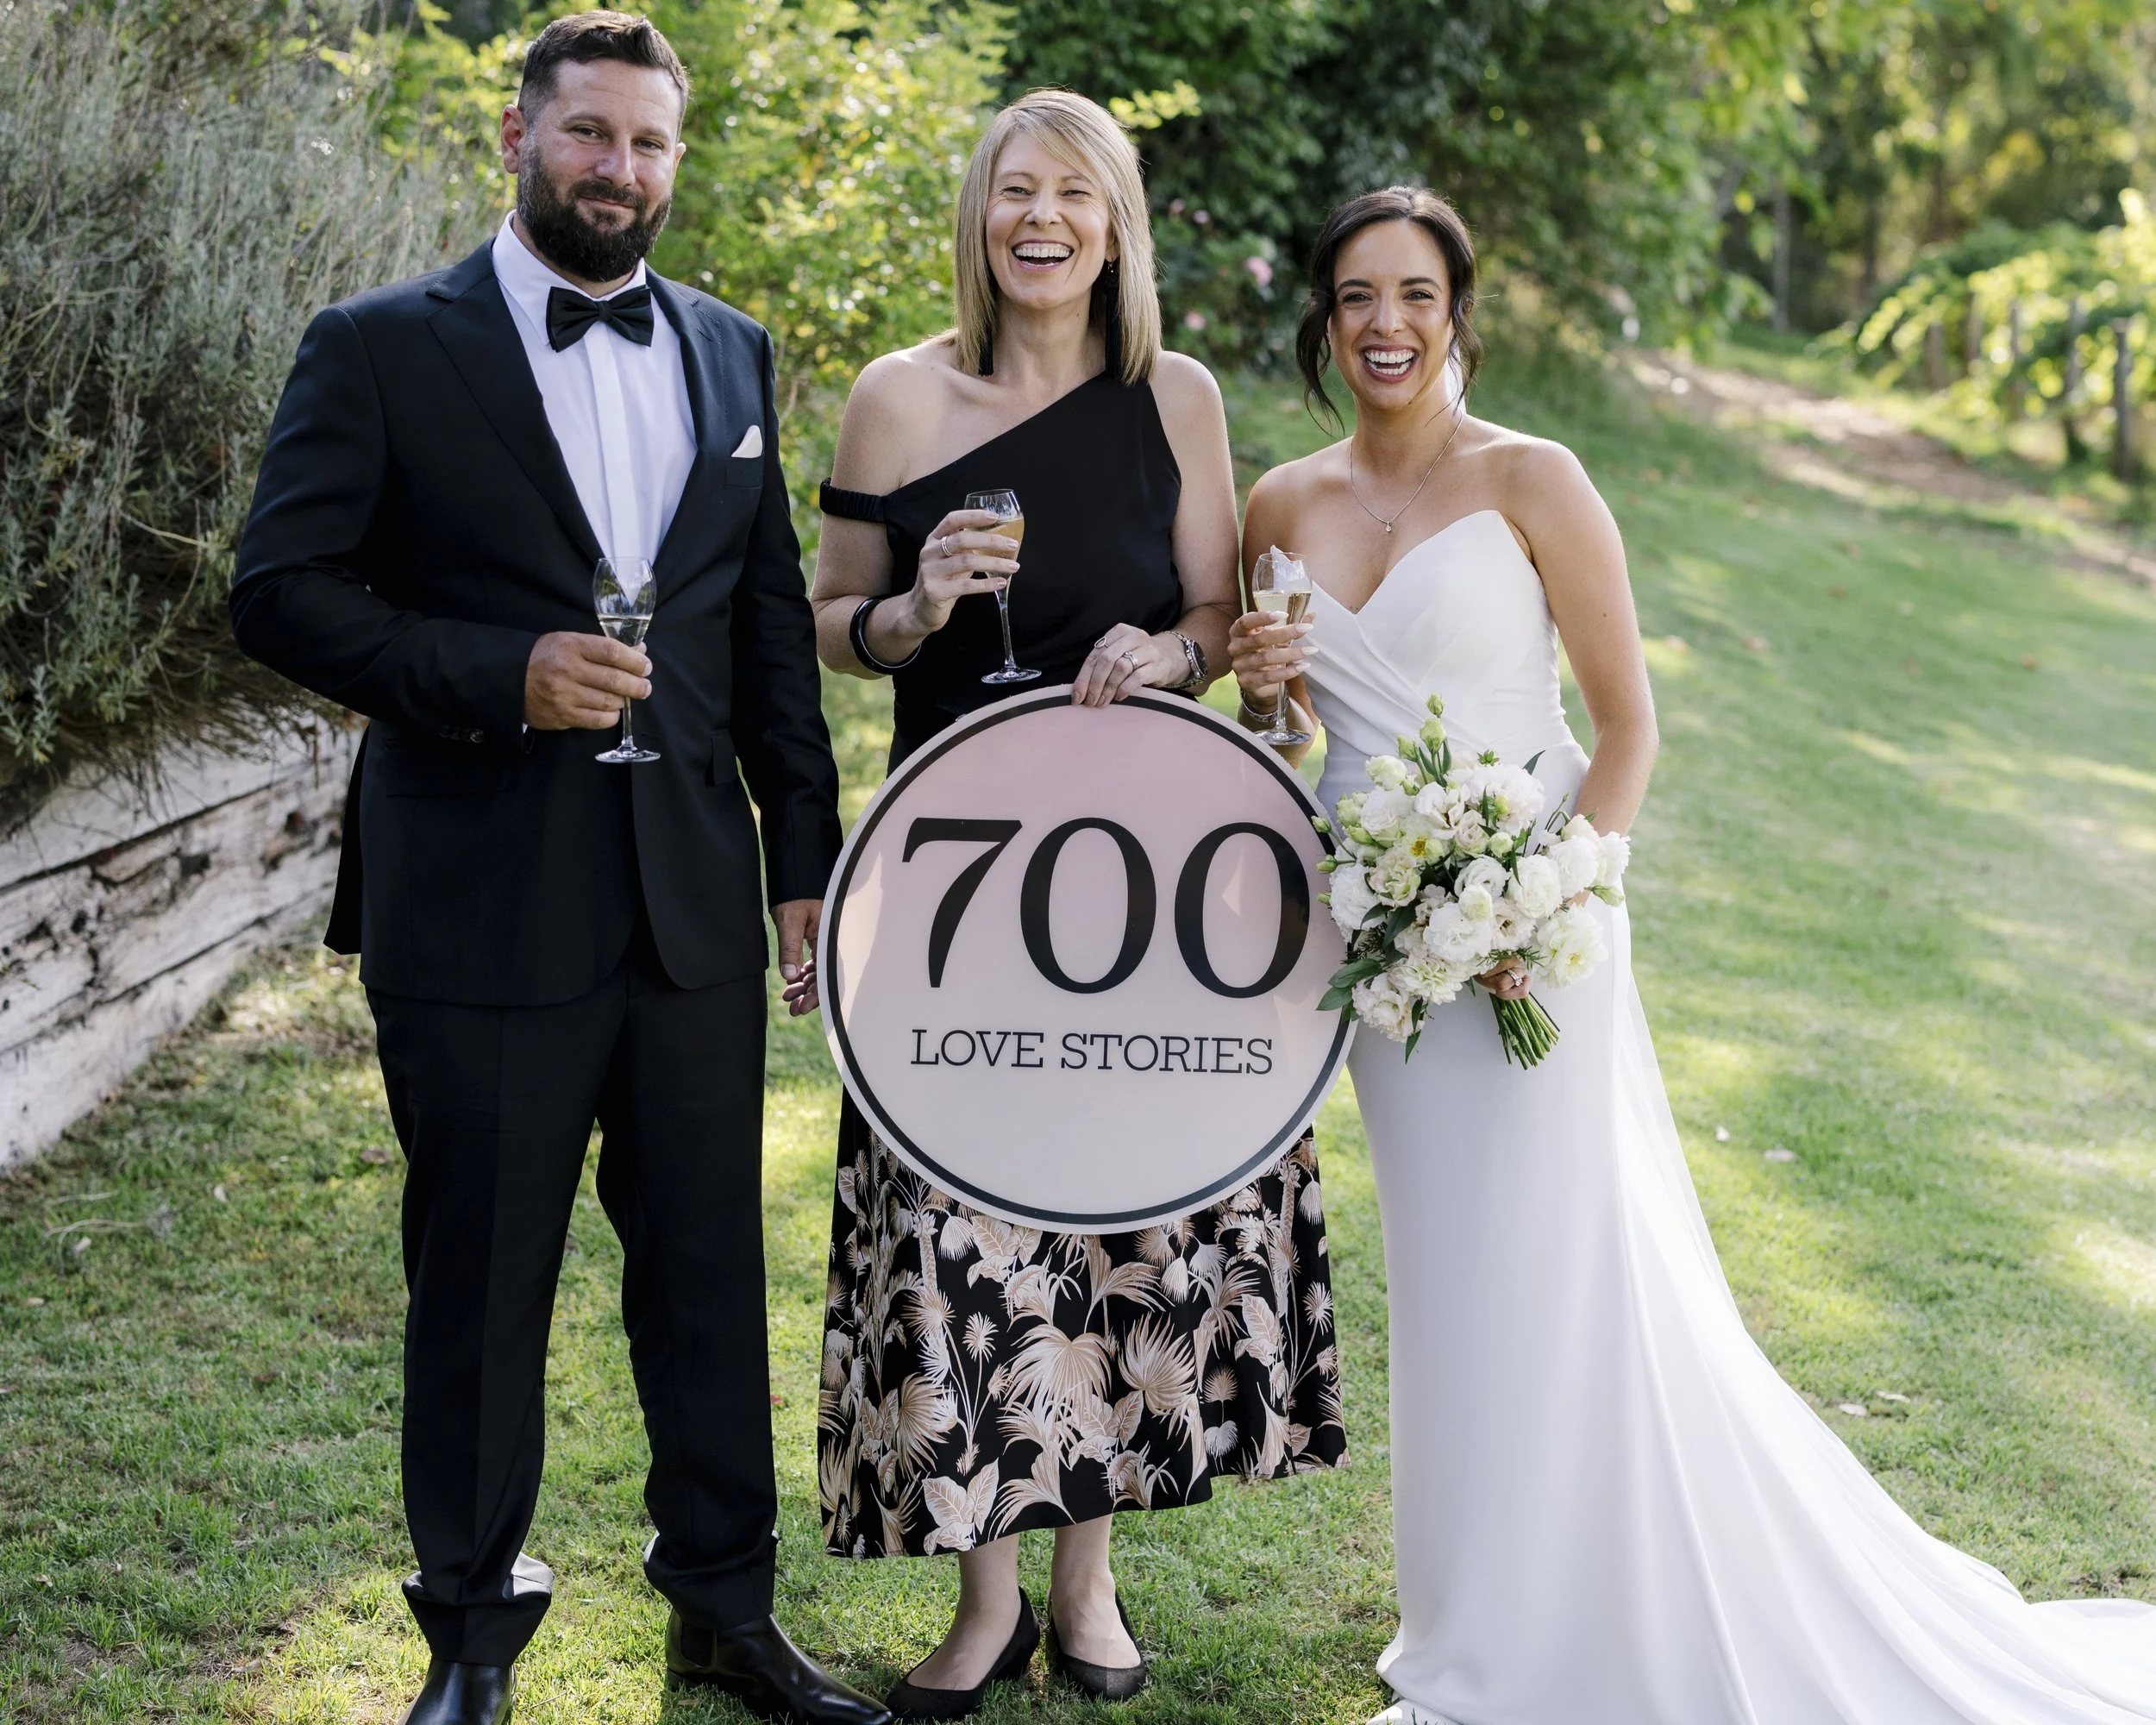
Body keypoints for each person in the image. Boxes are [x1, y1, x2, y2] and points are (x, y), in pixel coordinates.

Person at [1230, 182, 2156, 1725]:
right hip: (1385, 962)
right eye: (1353, 297)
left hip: (1535, 948)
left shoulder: (1537, 479)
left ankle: (1577, 1626)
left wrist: (1547, 905)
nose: (1383, 324)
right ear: (1323, 321)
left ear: (1460, 313)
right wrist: (1266, 696)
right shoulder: (1281, 505)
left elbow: (1628, 727)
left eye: (1412, 294)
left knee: (1564, 1267)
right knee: (1452, 1285)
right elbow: (1292, 733)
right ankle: (1475, 1617)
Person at [229, 14, 888, 1725]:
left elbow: (760, 638)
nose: (618, 168)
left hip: (686, 907)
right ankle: (464, 1636)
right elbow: (282, 591)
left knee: (703, 1281)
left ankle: (722, 1615)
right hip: (476, 905)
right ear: (521, 136)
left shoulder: (736, 354)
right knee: (480, 1286)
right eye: (588, 134)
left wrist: (797, 859)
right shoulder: (379, 347)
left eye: (647, 143)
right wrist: (491, 675)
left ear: (675, 159)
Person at [808, 89, 1347, 1721]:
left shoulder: (1172, 397)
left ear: (1116, 225)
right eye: (1011, 193)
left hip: (1138, 886)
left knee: (1123, 1216)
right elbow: (823, 621)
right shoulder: (898, 398)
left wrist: (1174, 652)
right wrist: (913, 608)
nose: (1038, 220)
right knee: (962, 1223)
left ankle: (1091, 1585)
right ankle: (983, 1599)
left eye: (1072, 195)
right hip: (959, 874)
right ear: (980, 219)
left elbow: (1210, 604)